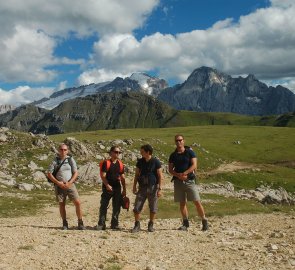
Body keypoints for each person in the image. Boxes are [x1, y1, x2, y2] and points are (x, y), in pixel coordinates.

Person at [168, 134, 208, 231]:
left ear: (183, 141)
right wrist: (178, 175)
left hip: (189, 180)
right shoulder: (173, 155)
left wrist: (185, 173)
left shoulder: (190, 152)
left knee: (197, 201)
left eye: (180, 140)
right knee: (182, 203)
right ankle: (185, 223)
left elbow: (194, 165)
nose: (179, 142)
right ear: (175, 142)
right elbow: (170, 169)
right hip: (178, 181)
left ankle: (204, 221)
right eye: (177, 141)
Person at [47, 143, 85, 230]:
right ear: (58, 150)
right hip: (59, 185)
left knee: (78, 202)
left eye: (65, 150)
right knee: (62, 204)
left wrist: (70, 182)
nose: (63, 151)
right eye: (61, 149)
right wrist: (58, 183)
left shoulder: (70, 159)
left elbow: (75, 172)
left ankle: (80, 222)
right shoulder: (55, 160)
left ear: (67, 151)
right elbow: (49, 173)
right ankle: (64, 223)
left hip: (70, 184)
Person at [131, 144, 163, 233]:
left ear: (148, 152)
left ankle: (151, 224)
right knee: (137, 207)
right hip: (142, 187)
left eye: (142, 152)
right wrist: (134, 186)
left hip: (153, 187)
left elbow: (160, 175)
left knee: (153, 207)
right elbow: (136, 175)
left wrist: (160, 188)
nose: (141, 153)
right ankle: (137, 224)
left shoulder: (156, 162)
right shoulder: (140, 162)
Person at [97, 146, 126, 230]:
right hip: (107, 187)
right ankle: (101, 224)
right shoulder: (106, 163)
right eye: (116, 152)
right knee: (104, 205)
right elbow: (103, 176)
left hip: (117, 187)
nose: (117, 154)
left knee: (117, 206)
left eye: (119, 152)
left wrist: (124, 189)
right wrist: (107, 185)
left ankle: (115, 224)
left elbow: (123, 177)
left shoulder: (120, 164)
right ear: (111, 153)